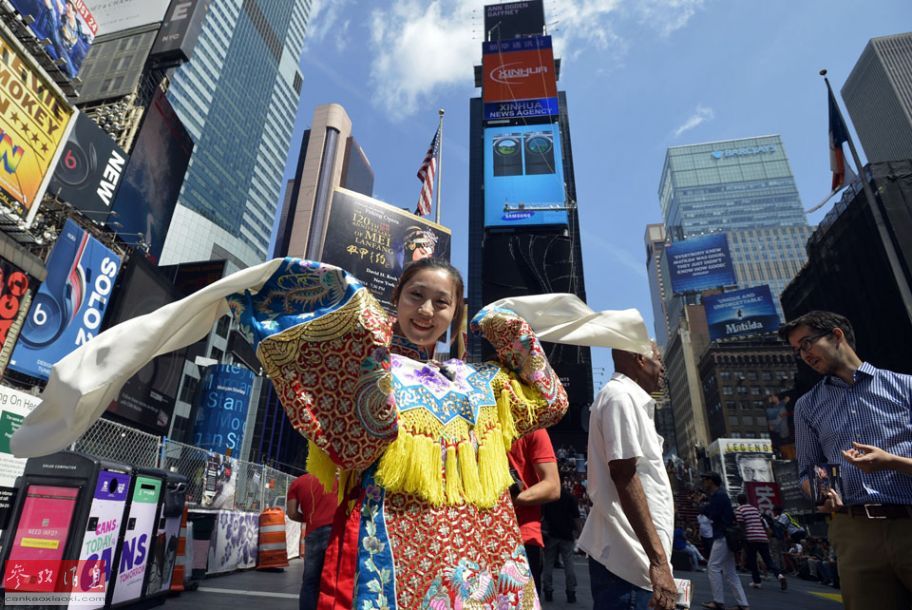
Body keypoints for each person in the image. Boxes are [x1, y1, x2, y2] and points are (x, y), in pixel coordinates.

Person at [232, 258, 568, 609]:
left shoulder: (481, 381)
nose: (426, 310)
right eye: (415, 295)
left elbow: (551, 402)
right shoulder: (373, 370)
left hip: (483, 551)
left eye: (441, 302)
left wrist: (507, 330)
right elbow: (353, 447)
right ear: (397, 296)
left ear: (455, 313)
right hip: (398, 550)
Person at [779, 310, 912, 610]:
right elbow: (808, 470)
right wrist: (821, 491)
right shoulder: (807, 406)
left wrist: (891, 461)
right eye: (798, 350)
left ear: (837, 335)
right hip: (855, 532)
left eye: (807, 343)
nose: (804, 354)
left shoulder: (905, 387)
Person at [577, 344, 678, 610]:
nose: (662, 367)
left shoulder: (628, 399)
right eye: (658, 359)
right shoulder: (620, 397)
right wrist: (658, 563)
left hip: (634, 564)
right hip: (628, 566)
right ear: (640, 360)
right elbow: (624, 476)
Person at [507, 428, 560, 594]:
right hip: (478, 540)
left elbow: (552, 487)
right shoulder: (470, 426)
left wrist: (507, 502)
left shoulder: (533, 429)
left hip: (522, 539)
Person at [287, 472, 339, 610]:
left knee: (310, 581)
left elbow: (291, 513)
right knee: (333, 579)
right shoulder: (338, 479)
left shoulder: (297, 482)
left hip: (313, 533)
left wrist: (310, 519)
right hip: (336, 532)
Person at [699, 472, 750, 610]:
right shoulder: (720, 495)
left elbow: (713, 514)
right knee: (730, 571)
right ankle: (743, 604)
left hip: (722, 535)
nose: (704, 482)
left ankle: (718, 601)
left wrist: (703, 507)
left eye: (705, 479)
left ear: (712, 481)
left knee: (713, 567)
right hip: (727, 535)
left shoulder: (719, 496)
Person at [734, 494, 787, 591]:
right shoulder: (755, 509)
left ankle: (757, 581)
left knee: (752, 560)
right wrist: (767, 535)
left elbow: (741, 525)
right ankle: (780, 576)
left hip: (750, 538)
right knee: (768, 560)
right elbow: (763, 522)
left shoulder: (739, 510)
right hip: (762, 537)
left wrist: (743, 537)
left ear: (739, 501)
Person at [542, 484, 582, 603]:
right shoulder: (569, 497)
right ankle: (571, 591)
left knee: (548, 564)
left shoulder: (548, 498)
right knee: (569, 564)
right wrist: (579, 532)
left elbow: (543, 516)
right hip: (567, 535)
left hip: (551, 534)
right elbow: (576, 517)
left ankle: (548, 590)